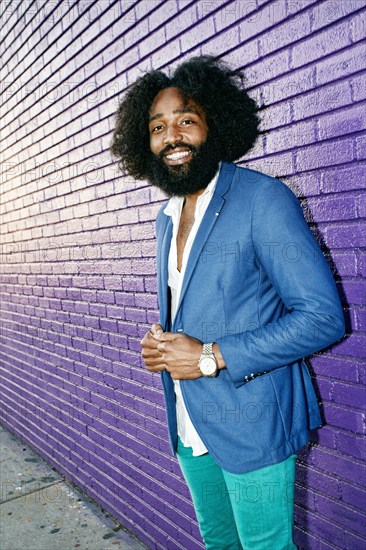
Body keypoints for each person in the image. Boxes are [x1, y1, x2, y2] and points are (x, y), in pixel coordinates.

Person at [111, 57, 345, 550]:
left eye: (186, 121)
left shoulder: (262, 199)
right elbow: (197, 306)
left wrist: (210, 355)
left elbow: (323, 318)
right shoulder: (166, 217)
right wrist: (162, 344)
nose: (171, 137)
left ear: (214, 124)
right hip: (190, 418)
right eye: (157, 127)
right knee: (219, 543)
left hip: (254, 418)